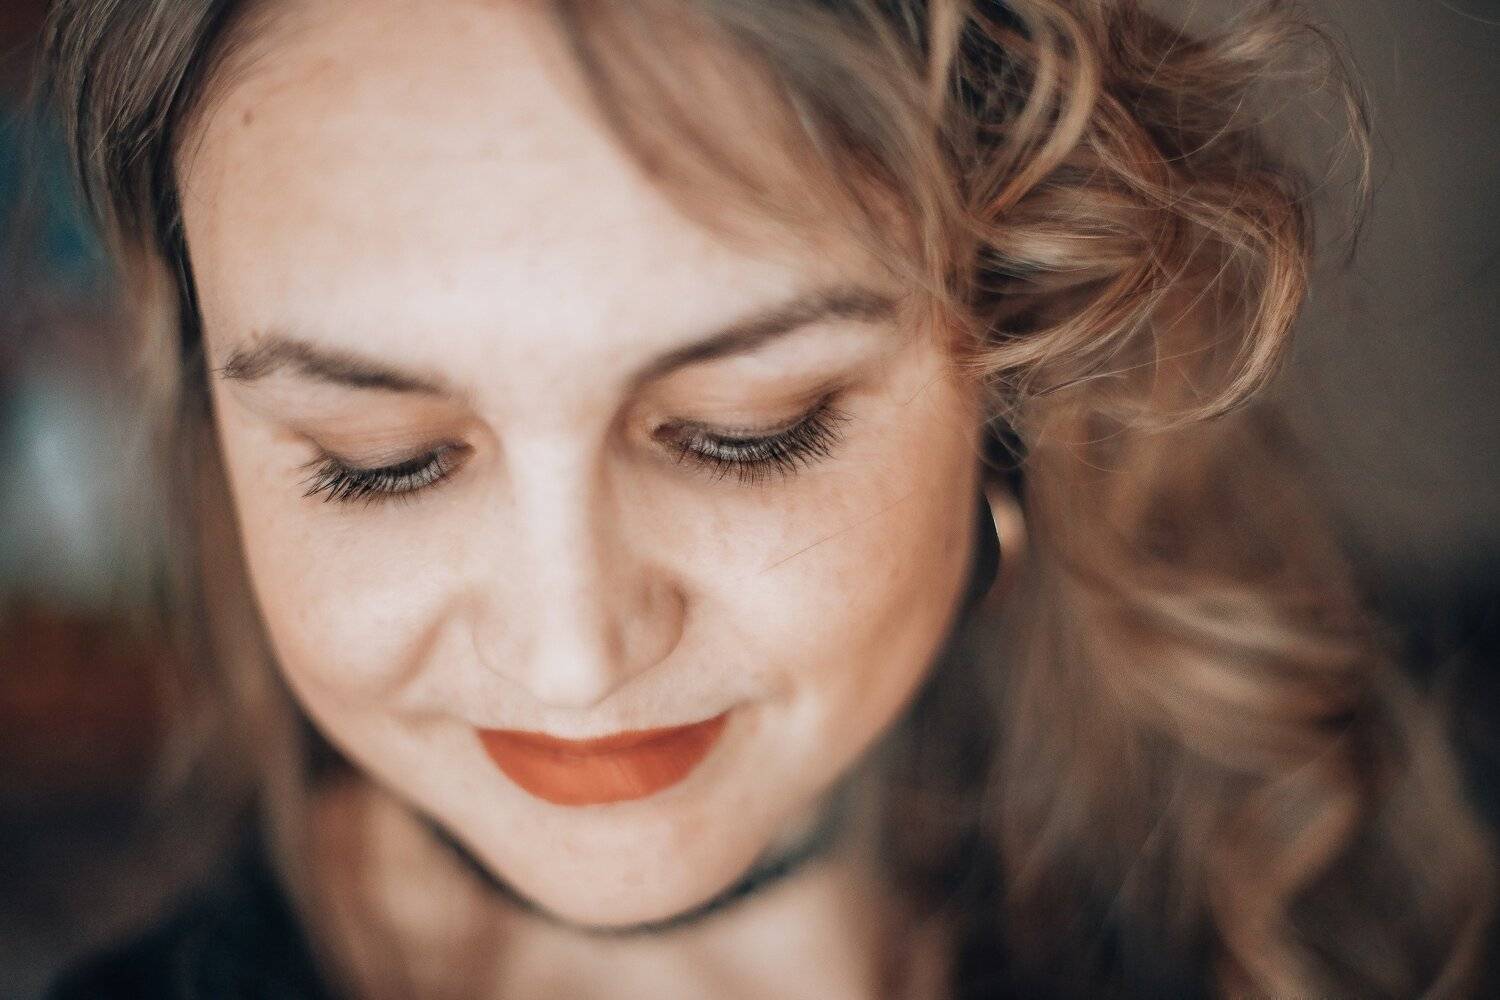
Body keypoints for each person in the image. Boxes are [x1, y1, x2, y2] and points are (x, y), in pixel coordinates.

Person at [37, 0, 1496, 996]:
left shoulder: (1409, 889)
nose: (574, 657)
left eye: (746, 433)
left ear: (1009, 366)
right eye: (380, 457)